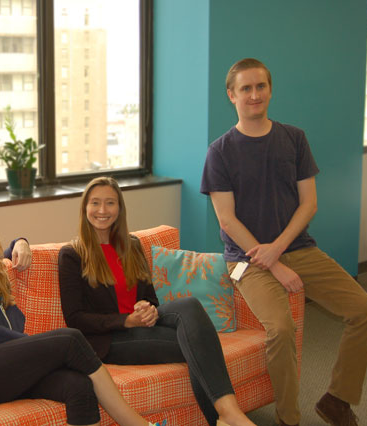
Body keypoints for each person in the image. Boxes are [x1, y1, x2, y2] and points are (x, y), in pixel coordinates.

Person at [200, 57, 367, 426]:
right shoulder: (220, 151)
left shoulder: (294, 138)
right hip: (245, 260)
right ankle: (289, 419)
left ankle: (337, 399)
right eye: (246, 88)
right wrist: (271, 262)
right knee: (281, 330)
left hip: (296, 248)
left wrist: (278, 251)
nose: (254, 94)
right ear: (231, 95)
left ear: (270, 90)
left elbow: (309, 203)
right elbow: (227, 220)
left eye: (261, 86)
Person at [0, 181, 160, 426]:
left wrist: (20, 242)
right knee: (69, 339)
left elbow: (6, 253)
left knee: (79, 385)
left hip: (0, 366)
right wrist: (43, 347)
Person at [57, 176, 256, 426]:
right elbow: (75, 318)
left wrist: (146, 307)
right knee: (197, 342)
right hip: (109, 340)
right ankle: (227, 415)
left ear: (119, 208)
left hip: (143, 325)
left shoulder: (131, 245)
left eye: (110, 203)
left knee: (190, 306)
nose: (102, 210)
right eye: (95, 203)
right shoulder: (72, 255)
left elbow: (150, 297)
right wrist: (126, 320)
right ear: (85, 208)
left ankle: (226, 416)